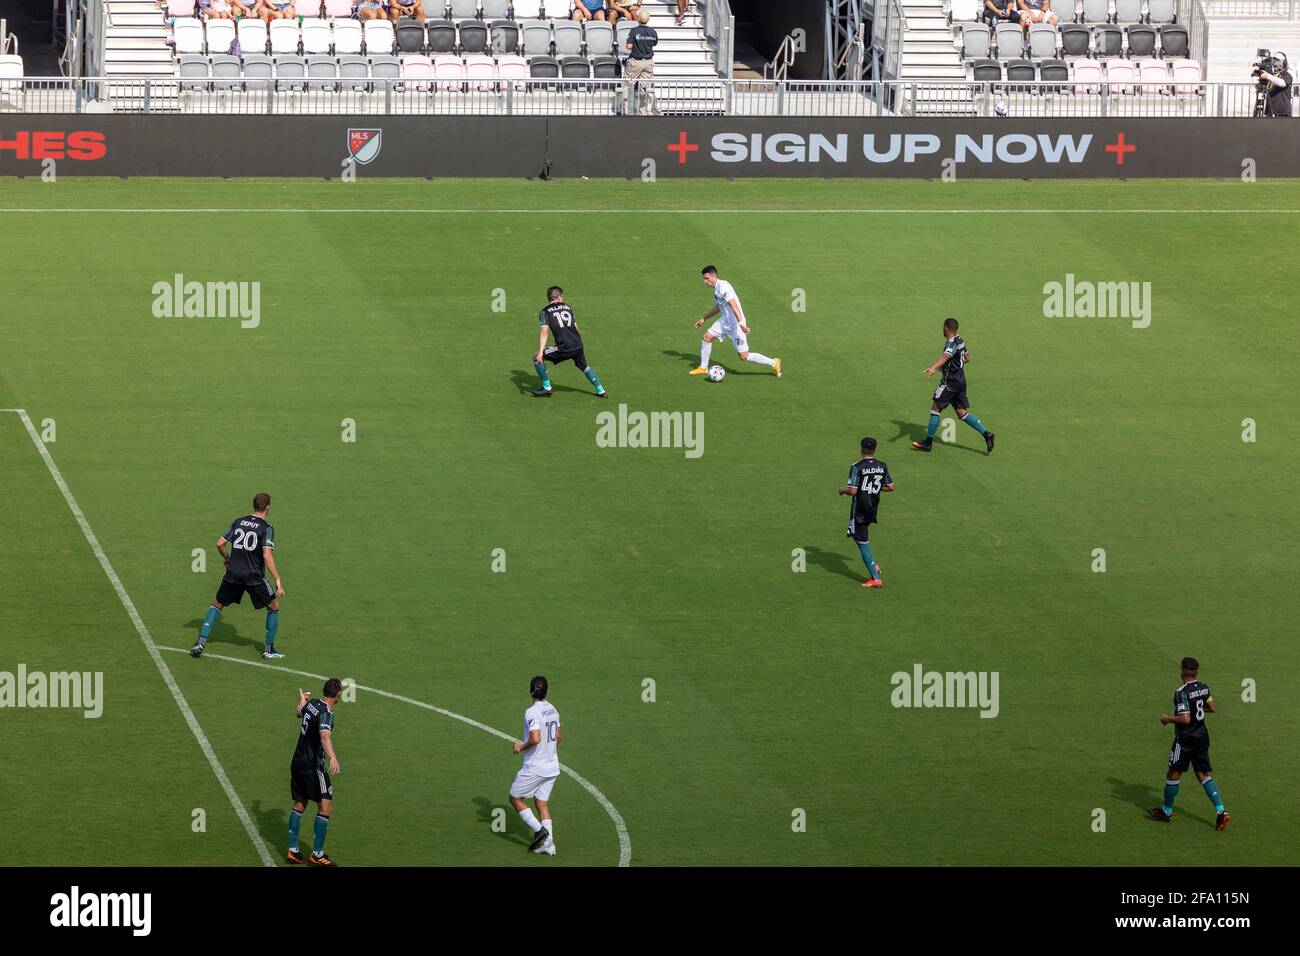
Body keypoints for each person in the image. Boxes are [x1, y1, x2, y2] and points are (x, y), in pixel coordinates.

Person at [191, 493, 286, 660]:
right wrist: (277, 579)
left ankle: (200, 642)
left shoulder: (239, 521)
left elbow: (220, 543)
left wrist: (227, 559)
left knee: (217, 604)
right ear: (267, 508)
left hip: (233, 573)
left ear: (254, 505)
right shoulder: (267, 528)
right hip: (254, 576)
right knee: (273, 606)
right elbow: (266, 555)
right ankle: (268, 650)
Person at [1147, 658, 1230, 831]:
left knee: (1173, 773)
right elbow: (1212, 708)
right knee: (1202, 774)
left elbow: (1185, 719)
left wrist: (1167, 719)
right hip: (1202, 736)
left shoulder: (1181, 692)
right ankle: (1221, 811)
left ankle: (1166, 812)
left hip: (1185, 739)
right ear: (1197, 672)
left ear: (1181, 671)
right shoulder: (1204, 687)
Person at [912, 318, 994, 454]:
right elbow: (967, 358)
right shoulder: (960, 340)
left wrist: (934, 367)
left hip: (950, 382)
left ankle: (928, 442)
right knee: (962, 413)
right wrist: (953, 366)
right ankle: (987, 434)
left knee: (936, 408)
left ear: (946, 328)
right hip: (961, 379)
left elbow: (945, 356)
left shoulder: (951, 344)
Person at [287, 679, 343, 865]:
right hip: (313, 766)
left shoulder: (312, 704)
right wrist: (333, 757)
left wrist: (302, 700)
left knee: (300, 803)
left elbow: (298, 712)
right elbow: (325, 736)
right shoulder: (327, 713)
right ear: (338, 695)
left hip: (297, 761)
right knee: (326, 806)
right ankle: (317, 855)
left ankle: (293, 850)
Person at [690, 266, 782, 378]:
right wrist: (704, 318)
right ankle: (703, 367)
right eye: (704, 279)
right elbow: (718, 307)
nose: (705, 281)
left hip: (736, 326)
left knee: (744, 356)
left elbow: (735, 306)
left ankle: (774, 362)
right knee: (706, 337)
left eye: (706, 278)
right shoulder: (717, 289)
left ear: (714, 276)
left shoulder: (723, 287)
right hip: (724, 322)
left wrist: (742, 324)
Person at [508, 676, 562, 856]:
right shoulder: (553, 709)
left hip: (535, 767)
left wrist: (520, 747)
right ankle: (549, 845)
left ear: (530, 691)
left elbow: (535, 738)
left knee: (514, 797)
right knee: (541, 802)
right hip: (552, 767)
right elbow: (558, 738)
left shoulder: (531, 712)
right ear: (547, 691)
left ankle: (540, 830)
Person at [531, 286, 608, 399]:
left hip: (564, 347)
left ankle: (547, 388)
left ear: (549, 297)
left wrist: (541, 352)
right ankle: (601, 390)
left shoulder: (545, 312)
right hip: (578, 344)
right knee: (584, 367)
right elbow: (576, 328)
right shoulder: (568, 307)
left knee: (535, 356)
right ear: (559, 297)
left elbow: (544, 332)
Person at [838, 437, 895, 589]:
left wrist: (842, 490)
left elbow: (853, 490)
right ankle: (873, 565)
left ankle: (875, 578)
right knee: (858, 536)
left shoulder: (857, 466)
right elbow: (890, 487)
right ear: (874, 450)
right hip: (873, 507)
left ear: (861, 449)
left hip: (860, 508)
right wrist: (874, 489)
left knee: (862, 540)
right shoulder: (882, 466)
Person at [624, 7, 657, 110]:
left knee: (627, 85)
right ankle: (643, 111)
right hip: (648, 62)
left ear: (638, 19)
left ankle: (626, 110)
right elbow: (654, 43)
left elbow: (628, 46)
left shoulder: (634, 31)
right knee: (645, 88)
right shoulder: (653, 32)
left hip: (635, 62)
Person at [1259, 52, 1293, 117]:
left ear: (1283, 62)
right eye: (1274, 60)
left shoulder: (1286, 75)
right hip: (1270, 112)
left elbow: (1282, 83)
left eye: (1277, 60)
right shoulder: (1272, 75)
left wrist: (1267, 76)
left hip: (1282, 112)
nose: (1274, 62)